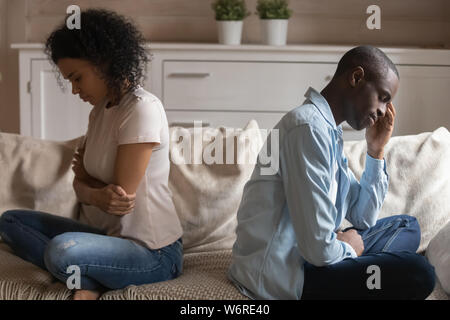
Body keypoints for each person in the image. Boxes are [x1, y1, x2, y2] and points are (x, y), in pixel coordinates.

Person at [0, 9, 183, 300]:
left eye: (77, 78)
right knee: (10, 221)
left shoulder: (141, 109)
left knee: (62, 250)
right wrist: (91, 189)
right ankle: (92, 276)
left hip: (152, 252)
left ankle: (86, 279)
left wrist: (88, 188)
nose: (74, 90)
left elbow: (118, 201)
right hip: (106, 240)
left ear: (104, 62)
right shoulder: (100, 112)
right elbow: (81, 186)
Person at [228, 45, 436, 300]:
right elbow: (318, 251)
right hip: (287, 275)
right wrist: (347, 247)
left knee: (407, 226)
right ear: (356, 77)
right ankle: (362, 266)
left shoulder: (328, 132)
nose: (383, 111)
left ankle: (360, 266)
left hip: (315, 255)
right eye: (382, 97)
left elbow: (362, 218)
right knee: (419, 271)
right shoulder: (307, 128)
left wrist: (376, 151)